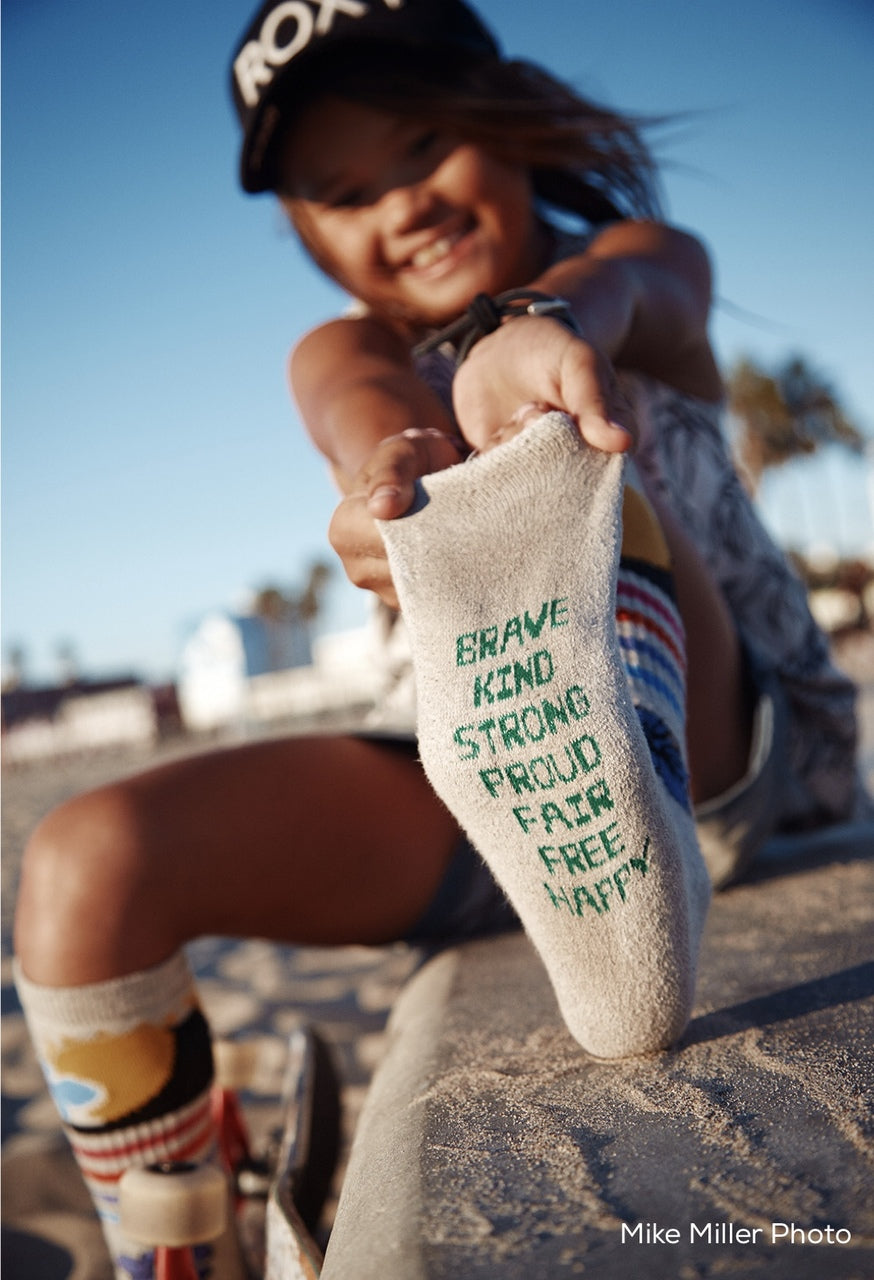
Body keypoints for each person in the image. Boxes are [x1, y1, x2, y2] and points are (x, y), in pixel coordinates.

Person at [14, 2, 869, 1276]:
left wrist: (543, 333)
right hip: (497, 781)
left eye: (424, 146)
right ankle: (179, 1254)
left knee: (568, 449)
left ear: (511, 121)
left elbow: (635, 284)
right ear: (307, 232)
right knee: (85, 862)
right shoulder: (348, 345)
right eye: (344, 190)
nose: (399, 203)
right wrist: (383, 478)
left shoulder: (629, 265)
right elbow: (350, 401)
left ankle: (621, 845)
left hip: (741, 759)